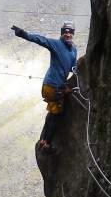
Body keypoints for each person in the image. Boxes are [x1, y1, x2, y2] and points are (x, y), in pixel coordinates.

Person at [11, 20, 77, 154]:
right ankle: (47, 145)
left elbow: (72, 67)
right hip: (53, 87)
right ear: (62, 33)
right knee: (57, 116)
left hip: (52, 86)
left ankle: (43, 141)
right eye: (65, 32)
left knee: (53, 113)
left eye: (70, 32)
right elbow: (41, 40)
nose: (68, 34)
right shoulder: (56, 44)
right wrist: (24, 34)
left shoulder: (73, 49)